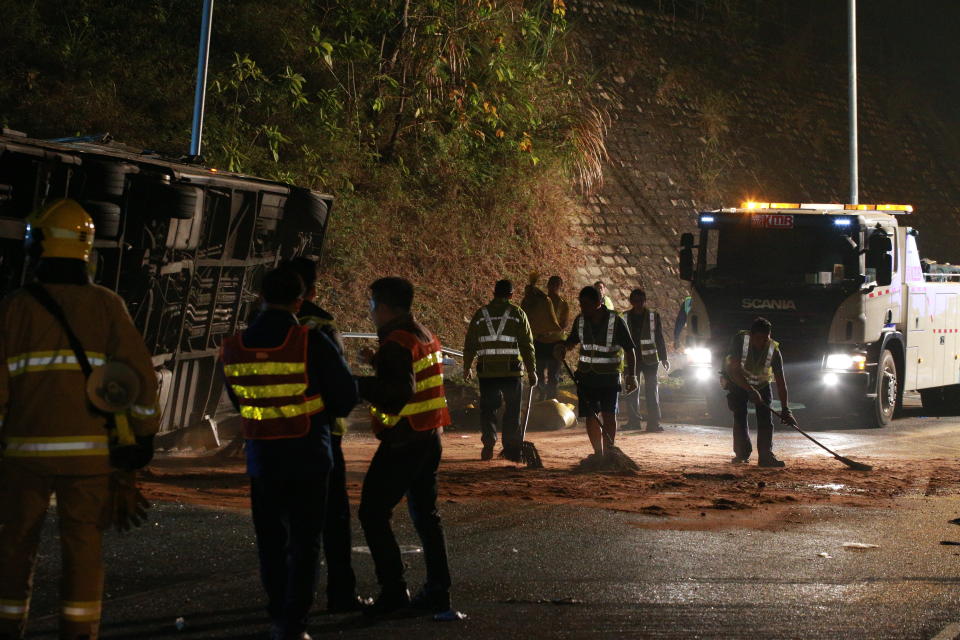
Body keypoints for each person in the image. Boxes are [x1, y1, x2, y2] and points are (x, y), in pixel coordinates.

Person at [0, 199, 160, 640]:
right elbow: (139, 380)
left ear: (41, 247)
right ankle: (79, 634)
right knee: (84, 548)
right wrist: (142, 438)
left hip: (23, 457)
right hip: (91, 459)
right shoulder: (107, 307)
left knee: (14, 547)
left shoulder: (14, 308)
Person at [221, 267, 358, 640]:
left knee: (270, 539)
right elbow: (346, 397)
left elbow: (239, 401)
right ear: (301, 300)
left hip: (262, 456)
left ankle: (277, 610)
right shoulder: (310, 340)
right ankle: (294, 622)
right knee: (305, 540)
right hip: (310, 455)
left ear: (261, 297)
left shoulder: (236, 345)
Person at [356, 277, 453, 617]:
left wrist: (359, 384)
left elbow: (397, 394)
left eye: (372, 305)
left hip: (404, 440)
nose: (370, 312)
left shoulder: (397, 341)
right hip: (429, 435)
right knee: (426, 515)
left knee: (372, 512)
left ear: (384, 307)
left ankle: (394, 589)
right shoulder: (422, 333)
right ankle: (439, 590)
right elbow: (409, 377)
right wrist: (377, 362)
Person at [280, 257, 363, 613]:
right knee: (332, 519)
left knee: (282, 522)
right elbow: (342, 390)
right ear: (311, 290)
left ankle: (285, 597)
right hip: (321, 436)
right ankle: (339, 594)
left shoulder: (255, 329)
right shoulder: (321, 327)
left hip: (270, 440)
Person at [555, 286, 638, 457]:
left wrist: (632, 376)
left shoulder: (616, 321)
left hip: (609, 377)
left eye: (587, 304)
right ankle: (598, 453)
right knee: (591, 415)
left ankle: (609, 452)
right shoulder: (580, 320)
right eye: (581, 304)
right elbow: (572, 341)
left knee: (609, 414)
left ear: (599, 303)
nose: (583, 308)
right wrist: (563, 347)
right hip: (586, 377)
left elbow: (630, 350)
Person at [462, 279, 537, 461]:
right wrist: (531, 370)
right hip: (511, 371)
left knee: (488, 409)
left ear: (494, 293)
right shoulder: (517, 313)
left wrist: (467, 367)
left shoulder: (481, 314)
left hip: (487, 371)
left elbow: (470, 343)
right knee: (512, 410)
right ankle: (511, 448)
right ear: (511, 295)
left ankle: (488, 443)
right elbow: (527, 344)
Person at [722, 317, 795, 468]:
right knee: (740, 415)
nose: (762, 343)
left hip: (761, 385)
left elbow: (781, 382)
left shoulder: (773, 350)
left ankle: (766, 455)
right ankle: (742, 454)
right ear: (751, 335)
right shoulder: (740, 342)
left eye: (765, 339)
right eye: (758, 338)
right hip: (737, 382)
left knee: (766, 420)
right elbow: (735, 371)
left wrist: (786, 409)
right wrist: (750, 390)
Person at [623, 289, 669, 432]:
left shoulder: (653, 316)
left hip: (650, 360)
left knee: (651, 391)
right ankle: (634, 421)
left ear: (644, 301)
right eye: (636, 301)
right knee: (631, 391)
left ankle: (653, 423)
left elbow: (659, 337)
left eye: (641, 301)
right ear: (631, 302)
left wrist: (663, 357)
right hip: (631, 360)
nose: (638, 304)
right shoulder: (624, 317)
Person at [520, 273, 564, 401]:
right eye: (552, 284)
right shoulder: (540, 301)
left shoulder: (560, 303)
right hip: (539, 342)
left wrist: (549, 331)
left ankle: (551, 400)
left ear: (560, 286)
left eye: (556, 285)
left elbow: (562, 324)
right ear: (548, 285)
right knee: (539, 372)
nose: (553, 287)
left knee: (553, 375)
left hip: (554, 344)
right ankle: (540, 397)